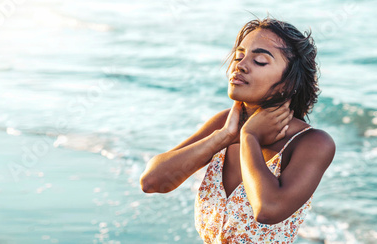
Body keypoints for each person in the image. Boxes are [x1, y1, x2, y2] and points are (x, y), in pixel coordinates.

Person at [140, 17, 335, 243]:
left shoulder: (312, 142)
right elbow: (151, 182)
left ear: (289, 83)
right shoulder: (224, 124)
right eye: (238, 56)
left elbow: (268, 208)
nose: (240, 65)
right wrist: (222, 137)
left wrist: (249, 137)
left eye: (260, 61)